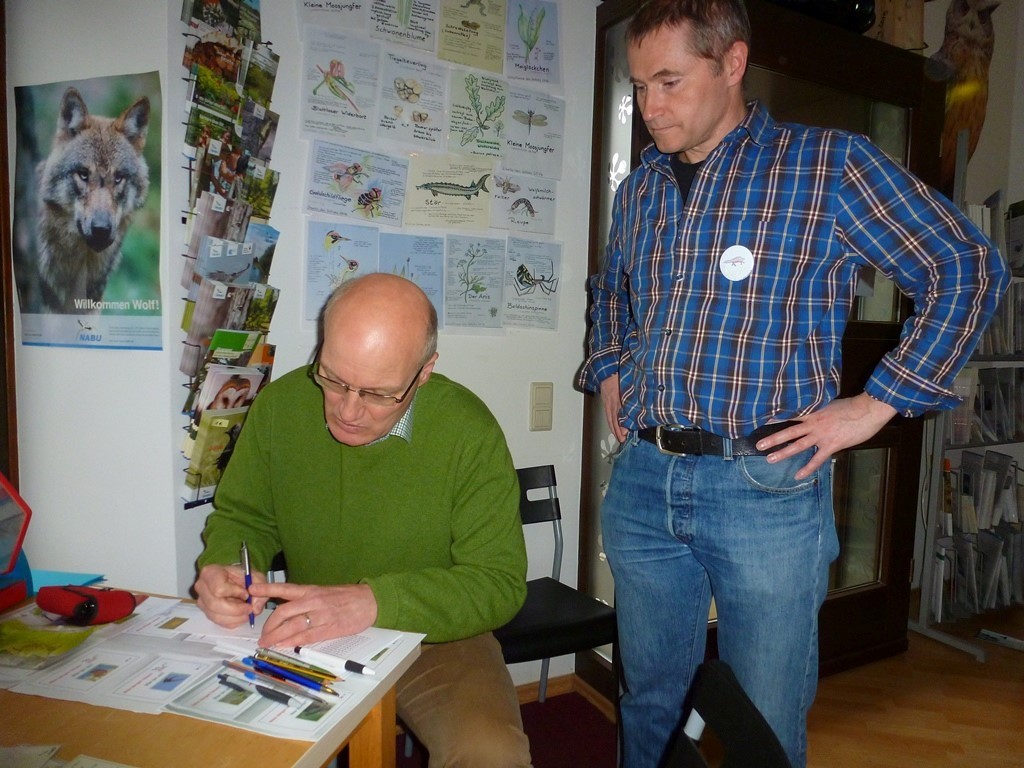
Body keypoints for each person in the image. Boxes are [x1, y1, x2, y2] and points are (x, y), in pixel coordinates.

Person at [576, 1, 1009, 766]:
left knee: (762, 724)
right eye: (640, 86)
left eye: (670, 81)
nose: (651, 107)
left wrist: (879, 402)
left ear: (732, 63)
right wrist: (611, 362)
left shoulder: (828, 166)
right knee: (648, 702)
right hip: (644, 482)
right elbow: (610, 290)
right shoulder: (639, 190)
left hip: (766, 489)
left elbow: (967, 267)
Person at [195, 273, 532, 767]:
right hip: (305, 629)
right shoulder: (281, 406)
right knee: (221, 746)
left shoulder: (468, 430)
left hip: (434, 638)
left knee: (490, 755)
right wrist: (226, 565)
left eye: (378, 394)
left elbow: (498, 583)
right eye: (332, 378)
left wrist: (373, 601)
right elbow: (245, 515)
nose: (348, 410)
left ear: (424, 372)